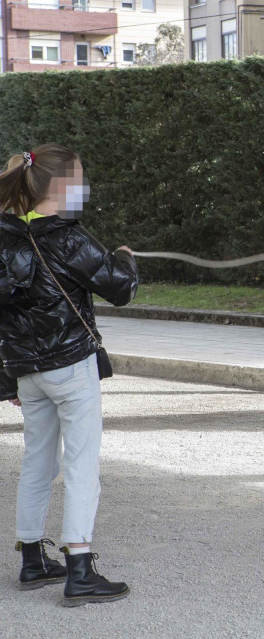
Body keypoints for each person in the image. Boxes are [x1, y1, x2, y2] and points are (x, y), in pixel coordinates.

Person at [0, 145, 138, 606]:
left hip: (28, 374)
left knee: (39, 460)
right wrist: (127, 260)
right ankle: (80, 567)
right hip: (70, 367)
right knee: (82, 464)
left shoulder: (7, 239)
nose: (84, 189)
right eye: (79, 180)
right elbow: (119, 288)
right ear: (62, 188)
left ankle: (32, 559)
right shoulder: (70, 237)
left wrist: (10, 379)